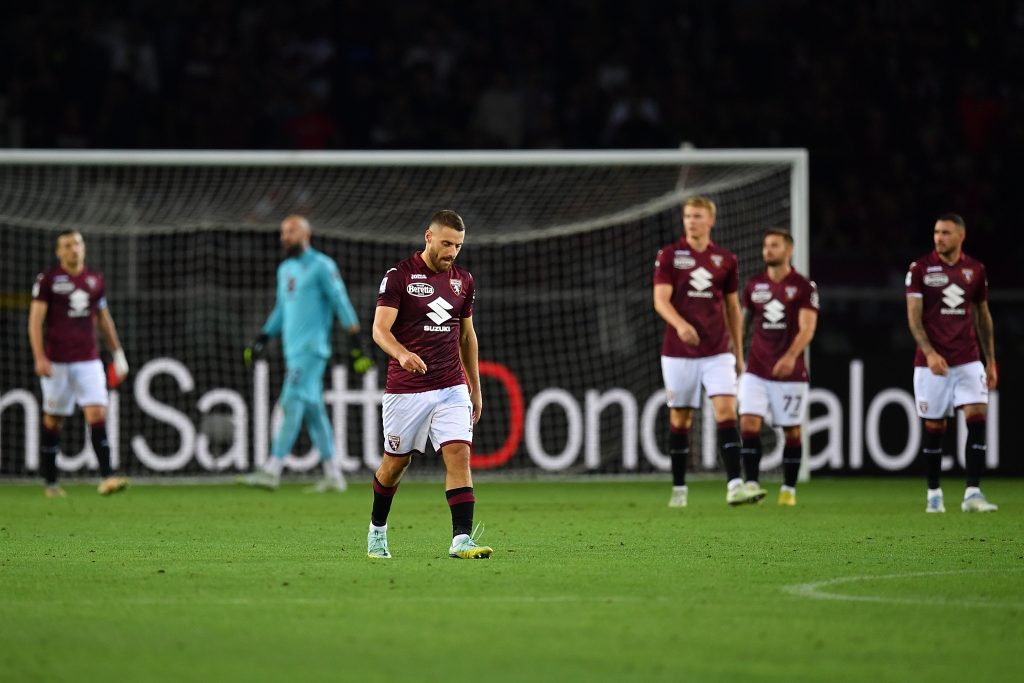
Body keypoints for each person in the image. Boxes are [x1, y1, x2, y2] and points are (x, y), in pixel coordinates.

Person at [366, 209, 491, 559]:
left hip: (451, 385)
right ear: (429, 237)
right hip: (406, 389)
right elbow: (379, 330)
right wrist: (402, 353)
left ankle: (461, 540)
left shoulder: (463, 281)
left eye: (459, 246)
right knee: (395, 465)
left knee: (459, 454)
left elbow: (467, 336)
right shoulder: (399, 277)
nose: (452, 252)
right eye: (447, 243)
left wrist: (474, 387)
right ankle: (377, 531)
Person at [240, 215, 373, 492]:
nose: (284, 237)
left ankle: (272, 469)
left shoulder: (322, 266)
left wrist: (356, 343)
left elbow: (341, 303)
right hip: (292, 350)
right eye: (282, 232)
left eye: (290, 231)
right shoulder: (285, 269)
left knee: (290, 402)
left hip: (312, 351)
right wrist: (263, 338)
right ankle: (333, 474)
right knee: (314, 412)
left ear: (306, 234)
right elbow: (281, 309)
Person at [653, 196, 754, 507]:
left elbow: (732, 309)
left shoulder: (726, 260)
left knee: (726, 411)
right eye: (687, 216)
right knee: (681, 419)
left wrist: (738, 352)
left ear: (711, 220)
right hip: (678, 352)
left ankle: (735, 485)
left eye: (697, 216)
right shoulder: (670, 256)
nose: (691, 221)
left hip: (716, 351)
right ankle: (679, 488)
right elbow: (660, 300)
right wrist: (681, 325)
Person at [906, 213, 998, 513]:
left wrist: (991, 360)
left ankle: (973, 492)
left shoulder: (975, 270)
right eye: (936, 232)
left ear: (961, 236)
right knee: (935, 426)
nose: (939, 238)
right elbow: (913, 317)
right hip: (931, 362)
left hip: (968, 358)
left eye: (945, 232)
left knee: (978, 418)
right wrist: (930, 353)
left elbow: (983, 315)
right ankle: (934, 493)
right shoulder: (920, 268)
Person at [28, 230, 130, 497]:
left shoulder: (95, 280)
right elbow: (35, 321)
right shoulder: (48, 280)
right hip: (57, 362)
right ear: (58, 252)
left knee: (97, 414)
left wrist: (117, 354)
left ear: (83, 248)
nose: (74, 249)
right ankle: (51, 483)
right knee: (54, 420)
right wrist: (39, 357)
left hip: (89, 359)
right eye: (67, 245)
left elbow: (104, 319)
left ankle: (107, 477)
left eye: (77, 244)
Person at [737, 228, 819, 507]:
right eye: (765, 245)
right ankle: (751, 485)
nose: (767, 251)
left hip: (791, 373)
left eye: (774, 245)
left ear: (788, 250)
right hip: (756, 368)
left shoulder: (804, 286)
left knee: (792, 430)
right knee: (748, 422)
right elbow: (742, 325)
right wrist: (736, 355)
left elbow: (808, 329)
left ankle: (789, 489)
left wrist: (791, 356)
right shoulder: (754, 286)